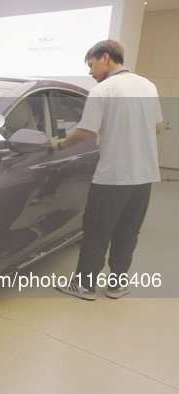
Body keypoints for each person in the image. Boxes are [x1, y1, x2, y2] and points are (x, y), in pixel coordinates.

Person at [53, 39, 164, 300]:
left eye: (91, 65)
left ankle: (84, 286)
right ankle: (116, 285)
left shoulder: (104, 90)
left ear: (105, 58)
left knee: (97, 231)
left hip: (113, 176)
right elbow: (157, 127)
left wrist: (59, 144)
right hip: (144, 176)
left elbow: (85, 131)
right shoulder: (148, 85)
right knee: (128, 232)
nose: (90, 72)